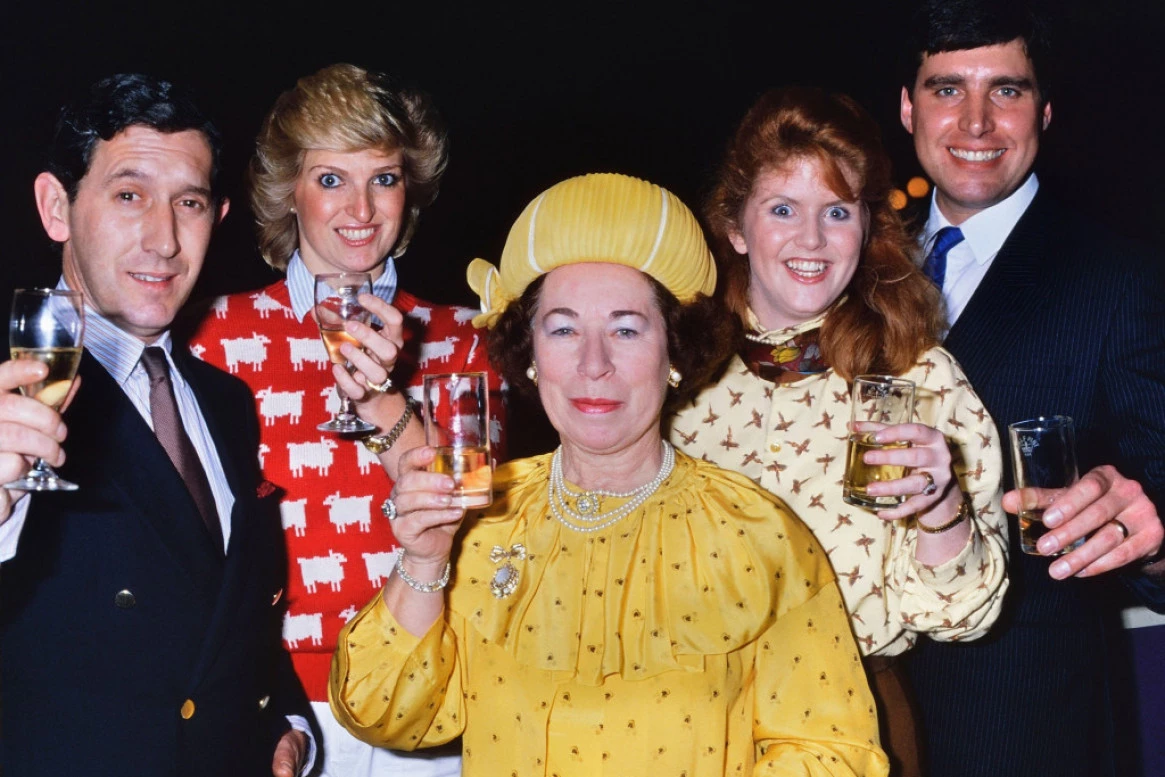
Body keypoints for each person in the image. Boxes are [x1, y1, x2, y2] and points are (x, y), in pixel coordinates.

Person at [328, 173, 890, 776]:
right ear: (531, 353)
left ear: (674, 350)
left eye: (625, 328)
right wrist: (424, 561)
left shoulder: (758, 533)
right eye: (563, 328)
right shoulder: (482, 519)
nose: (593, 364)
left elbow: (835, 755)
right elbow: (383, 714)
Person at [670, 87, 1008, 776]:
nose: (812, 239)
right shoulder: (675, 374)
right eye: (782, 209)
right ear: (735, 227)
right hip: (686, 719)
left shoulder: (921, 376)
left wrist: (940, 506)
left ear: (866, 227)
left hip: (855, 716)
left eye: (837, 211)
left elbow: (963, 617)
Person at [187, 63, 503, 777]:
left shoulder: (464, 336)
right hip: (270, 706)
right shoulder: (215, 335)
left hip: (427, 693)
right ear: (288, 193)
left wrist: (384, 401)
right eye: (331, 178)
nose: (361, 208)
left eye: (383, 178)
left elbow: (474, 524)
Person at [0, 74, 312, 776]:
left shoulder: (226, 400)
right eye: (129, 195)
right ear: (56, 207)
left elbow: (229, 618)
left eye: (189, 202)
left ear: (218, 216)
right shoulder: (7, 388)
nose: (164, 239)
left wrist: (285, 724)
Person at [897, 2, 1165, 775]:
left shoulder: (1118, 280)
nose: (975, 122)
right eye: (947, 89)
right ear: (908, 108)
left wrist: (1152, 542)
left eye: (1006, 91)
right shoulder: (851, 262)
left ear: (1043, 111)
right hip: (843, 707)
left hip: (1018, 727)